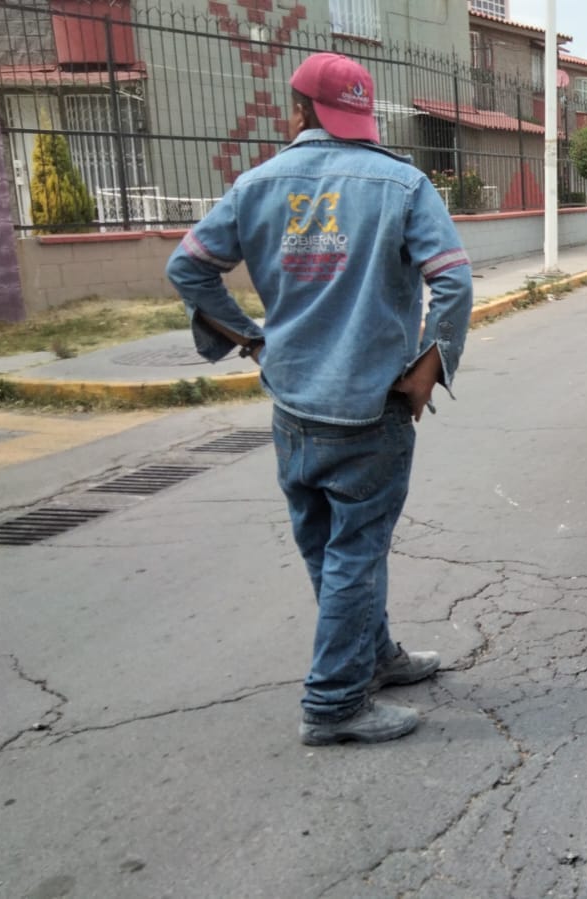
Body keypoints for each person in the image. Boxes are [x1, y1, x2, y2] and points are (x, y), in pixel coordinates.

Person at [167, 52, 474, 745]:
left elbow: (187, 265)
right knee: (355, 553)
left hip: (293, 405)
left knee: (328, 549)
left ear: (296, 111)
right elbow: (453, 281)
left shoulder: (255, 184)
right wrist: (431, 364)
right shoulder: (401, 184)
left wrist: (249, 338)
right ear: (343, 115)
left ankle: (375, 656)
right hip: (371, 409)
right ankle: (334, 702)